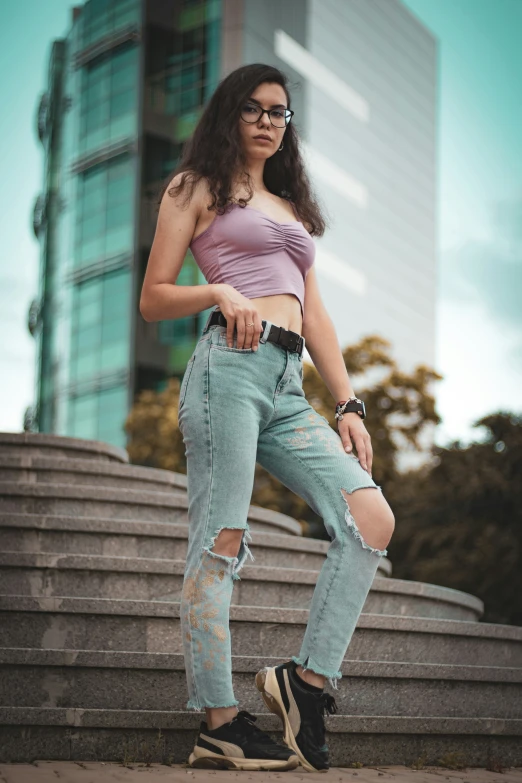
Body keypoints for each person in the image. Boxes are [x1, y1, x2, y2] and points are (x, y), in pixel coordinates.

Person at [140, 63, 395, 773]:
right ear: (230, 114)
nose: (266, 120)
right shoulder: (195, 188)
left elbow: (316, 314)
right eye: (252, 108)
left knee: (370, 517)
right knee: (220, 541)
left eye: (279, 112)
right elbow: (154, 297)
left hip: (289, 386)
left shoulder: (288, 207)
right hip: (228, 368)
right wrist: (215, 289)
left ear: (289, 125)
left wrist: (348, 404)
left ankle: (304, 682)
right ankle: (219, 719)